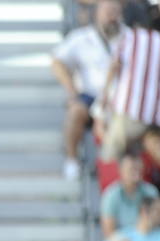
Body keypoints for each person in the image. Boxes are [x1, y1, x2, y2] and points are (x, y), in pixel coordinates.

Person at [52, 0, 127, 179]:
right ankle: (72, 160)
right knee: (76, 110)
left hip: (120, 97)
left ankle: (113, 168)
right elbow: (57, 61)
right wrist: (72, 91)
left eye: (115, 11)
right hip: (89, 95)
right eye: (107, 11)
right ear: (97, 12)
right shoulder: (81, 37)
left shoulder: (131, 38)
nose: (111, 16)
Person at [100, 20, 160, 161]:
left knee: (111, 153)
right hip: (158, 118)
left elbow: (114, 66)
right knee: (151, 159)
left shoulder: (131, 37)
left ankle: (108, 181)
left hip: (130, 111)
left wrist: (105, 94)